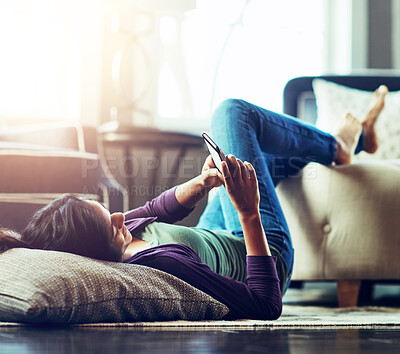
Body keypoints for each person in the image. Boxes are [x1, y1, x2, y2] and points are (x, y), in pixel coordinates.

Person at [0, 85, 388, 320]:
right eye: (111, 222)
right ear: (95, 251)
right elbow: (264, 303)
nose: (121, 215)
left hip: (215, 230)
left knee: (260, 162)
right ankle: (338, 144)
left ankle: (349, 140)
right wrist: (249, 211)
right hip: (266, 255)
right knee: (233, 113)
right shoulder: (160, 264)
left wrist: (203, 183)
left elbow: (155, 211)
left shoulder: (116, 238)